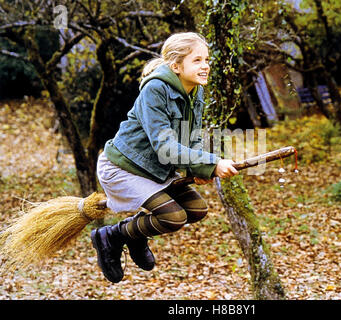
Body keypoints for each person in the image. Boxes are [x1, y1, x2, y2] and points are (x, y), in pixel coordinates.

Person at [91, 32, 239, 283]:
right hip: (122, 168)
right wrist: (213, 163)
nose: (205, 66)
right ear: (176, 66)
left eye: (207, 60)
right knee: (173, 217)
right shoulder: (155, 90)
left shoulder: (195, 92)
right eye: (197, 60)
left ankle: (134, 235)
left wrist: (199, 170)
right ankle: (112, 237)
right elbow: (165, 148)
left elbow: (190, 137)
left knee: (196, 210)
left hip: (153, 170)